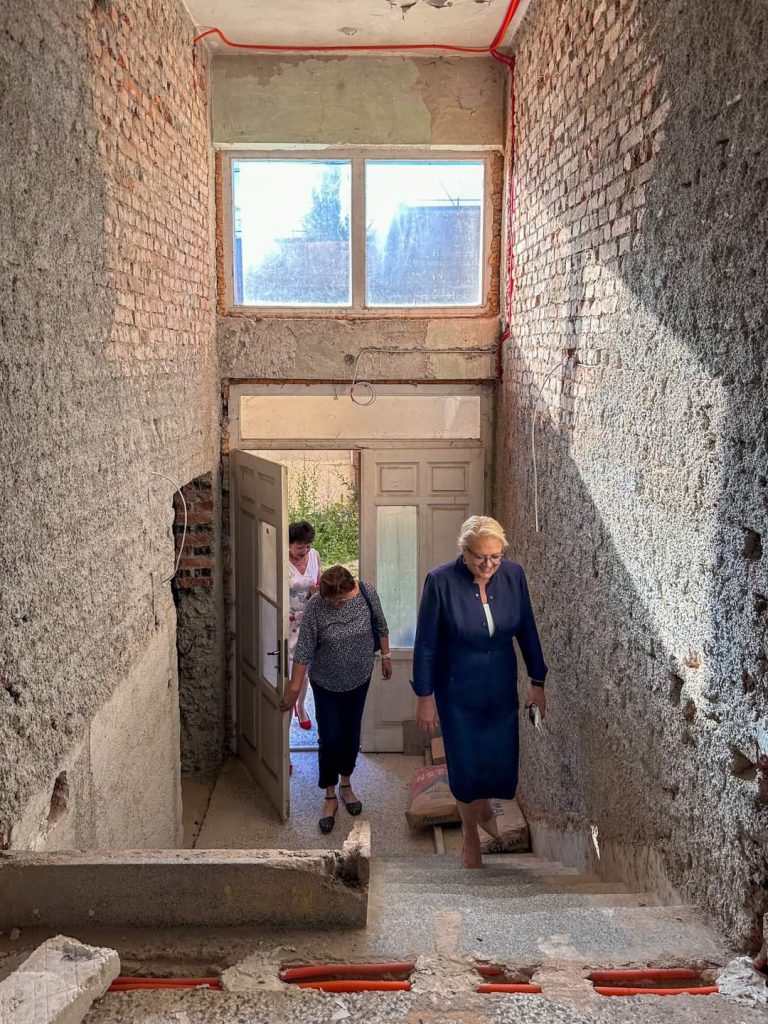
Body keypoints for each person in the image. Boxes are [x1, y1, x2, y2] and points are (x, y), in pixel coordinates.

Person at [411, 515, 547, 869]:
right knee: (466, 767)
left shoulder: (514, 576)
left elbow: (527, 629)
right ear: (464, 551)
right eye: (480, 557)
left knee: (499, 763)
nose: (488, 565)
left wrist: (537, 681)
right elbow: (426, 644)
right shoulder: (440, 582)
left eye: (495, 557)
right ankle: (470, 837)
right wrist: (425, 697)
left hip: (500, 685)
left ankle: (483, 806)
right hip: (457, 691)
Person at [279, 566, 392, 833]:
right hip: (325, 682)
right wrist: (294, 689)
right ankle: (329, 795)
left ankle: (346, 784)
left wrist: (386, 657)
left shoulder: (367, 593)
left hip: (359, 678)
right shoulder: (316, 605)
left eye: (341, 599)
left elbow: (381, 625)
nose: (337, 604)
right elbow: (304, 649)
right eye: (332, 600)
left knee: (351, 735)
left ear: (351, 587)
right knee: (330, 738)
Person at [288, 520, 322, 729]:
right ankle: (287, 705)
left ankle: (300, 706)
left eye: (307, 546)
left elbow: (318, 581)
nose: (305, 551)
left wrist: (318, 590)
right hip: (287, 622)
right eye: (300, 547)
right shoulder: (281, 559)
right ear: (290, 544)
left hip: (309, 620)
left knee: (306, 668)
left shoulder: (314, 556)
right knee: (286, 667)